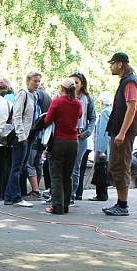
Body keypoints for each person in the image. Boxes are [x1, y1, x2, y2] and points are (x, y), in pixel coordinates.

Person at [103, 52, 137, 216]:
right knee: (117, 165)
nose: (111, 66)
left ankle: (122, 205)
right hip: (120, 131)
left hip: (124, 133)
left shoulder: (130, 82)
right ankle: (120, 203)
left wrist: (122, 133)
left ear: (120, 64)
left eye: (113, 63)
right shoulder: (127, 81)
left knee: (121, 166)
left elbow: (132, 108)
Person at [43, 78, 82, 214]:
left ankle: (57, 206)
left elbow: (48, 120)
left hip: (59, 141)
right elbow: (80, 115)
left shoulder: (57, 101)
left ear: (62, 88)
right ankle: (65, 205)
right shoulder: (78, 103)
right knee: (67, 175)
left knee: (56, 175)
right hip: (73, 142)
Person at [3, 71, 41, 207]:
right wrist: (21, 135)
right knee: (17, 166)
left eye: (38, 81)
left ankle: (10, 195)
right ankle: (15, 197)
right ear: (28, 81)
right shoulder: (23, 94)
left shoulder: (35, 96)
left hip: (30, 134)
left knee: (22, 166)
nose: (37, 84)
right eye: (35, 81)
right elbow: (17, 116)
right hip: (22, 136)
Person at [67, 72, 96, 202]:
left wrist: (87, 132)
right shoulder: (64, 96)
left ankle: (72, 194)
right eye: (72, 82)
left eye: (77, 83)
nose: (74, 85)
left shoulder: (87, 98)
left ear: (82, 84)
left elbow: (92, 118)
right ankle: (62, 192)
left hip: (80, 135)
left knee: (75, 166)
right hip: (65, 134)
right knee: (64, 165)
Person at [90, 93, 113, 201]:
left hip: (103, 147)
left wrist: (101, 149)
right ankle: (102, 194)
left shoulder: (104, 113)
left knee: (100, 170)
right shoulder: (111, 111)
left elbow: (103, 132)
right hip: (108, 146)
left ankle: (101, 194)